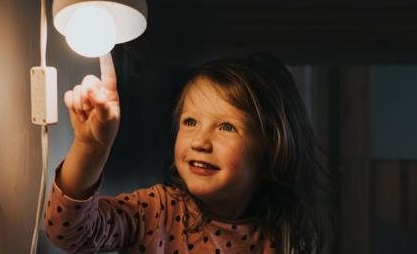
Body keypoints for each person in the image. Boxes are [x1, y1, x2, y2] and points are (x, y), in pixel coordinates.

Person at [44, 52, 330, 254]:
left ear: (271, 146)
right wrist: (92, 147)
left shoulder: (281, 238)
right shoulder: (156, 211)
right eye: (190, 122)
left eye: (227, 127)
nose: (200, 142)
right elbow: (68, 231)